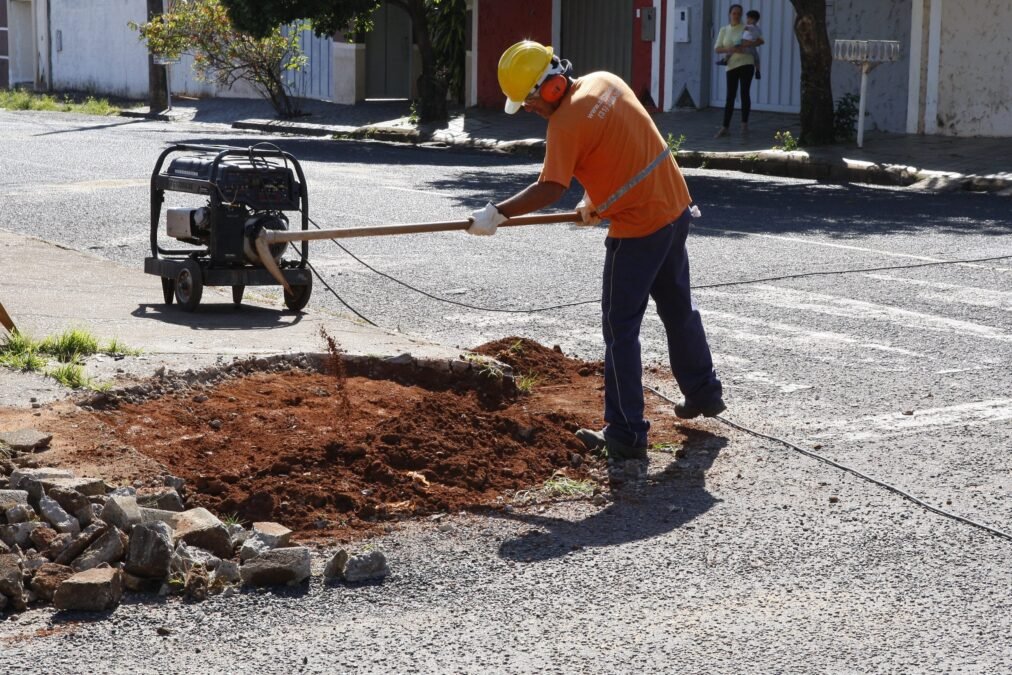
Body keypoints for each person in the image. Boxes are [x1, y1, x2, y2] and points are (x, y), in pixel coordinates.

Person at [467, 40, 725, 477]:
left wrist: (497, 213)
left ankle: (625, 433)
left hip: (639, 228)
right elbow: (621, 149)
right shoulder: (606, 81)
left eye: (529, 100)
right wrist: (596, 199)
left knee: (619, 327)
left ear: (548, 89)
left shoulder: (564, 124)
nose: (529, 109)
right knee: (677, 306)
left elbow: (550, 188)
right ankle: (702, 390)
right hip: (675, 207)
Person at [714, 4, 763, 137]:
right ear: (730, 14)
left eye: (739, 13)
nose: (736, 16)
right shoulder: (724, 30)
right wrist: (730, 49)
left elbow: (760, 40)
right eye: (734, 13)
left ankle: (744, 126)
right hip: (731, 65)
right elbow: (717, 49)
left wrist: (748, 44)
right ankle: (725, 127)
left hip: (746, 63)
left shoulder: (747, 27)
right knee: (730, 96)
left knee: (744, 93)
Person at [743, 9, 763, 80]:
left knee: (733, 50)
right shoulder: (758, 29)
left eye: (750, 19)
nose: (748, 20)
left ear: (755, 20)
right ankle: (757, 70)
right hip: (752, 47)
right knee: (756, 58)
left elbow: (745, 28)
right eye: (747, 18)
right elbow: (759, 36)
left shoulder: (751, 27)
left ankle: (726, 60)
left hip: (746, 46)